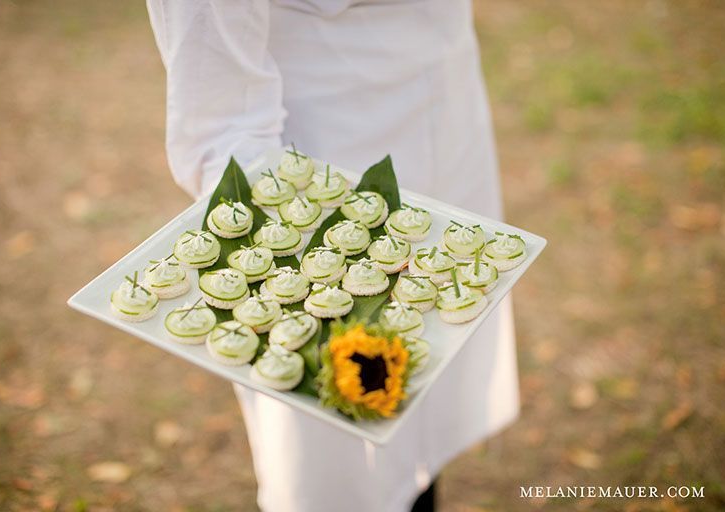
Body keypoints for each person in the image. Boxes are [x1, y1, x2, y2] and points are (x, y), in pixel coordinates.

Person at [146, 1, 519, 511]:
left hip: (448, 107)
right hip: (324, 154)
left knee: (429, 382)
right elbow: (220, 107)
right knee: (342, 457)